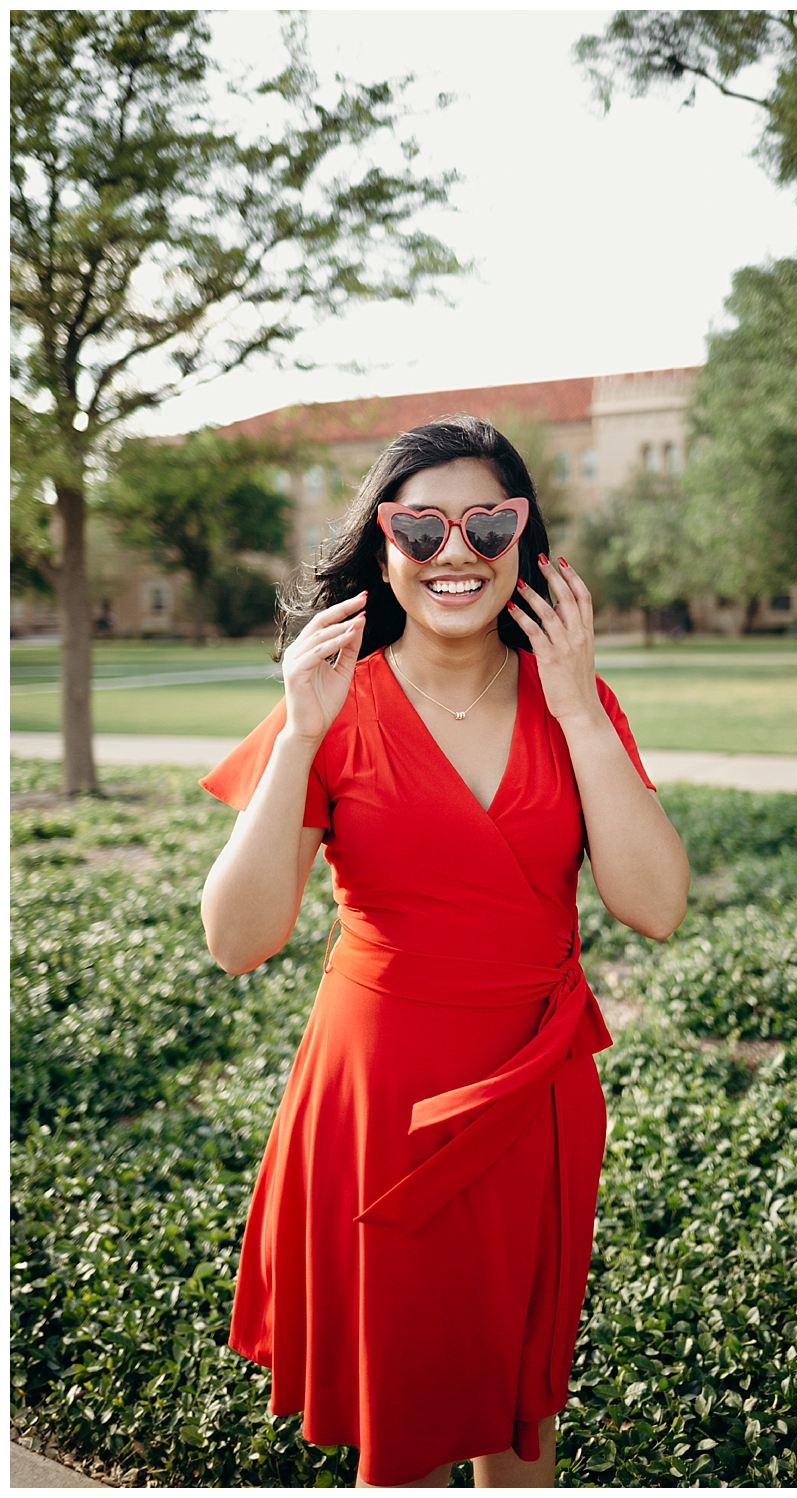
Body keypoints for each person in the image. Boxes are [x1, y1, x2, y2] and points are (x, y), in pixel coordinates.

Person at [199, 416, 690, 1487]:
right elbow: (238, 940)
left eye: (487, 522)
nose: (454, 550)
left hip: (535, 1098)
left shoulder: (581, 708)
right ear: (381, 546)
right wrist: (295, 739)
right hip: (377, 1102)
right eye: (418, 526)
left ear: (527, 541)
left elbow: (655, 906)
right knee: (404, 1417)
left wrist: (576, 705)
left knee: (518, 1420)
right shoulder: (329, 703)